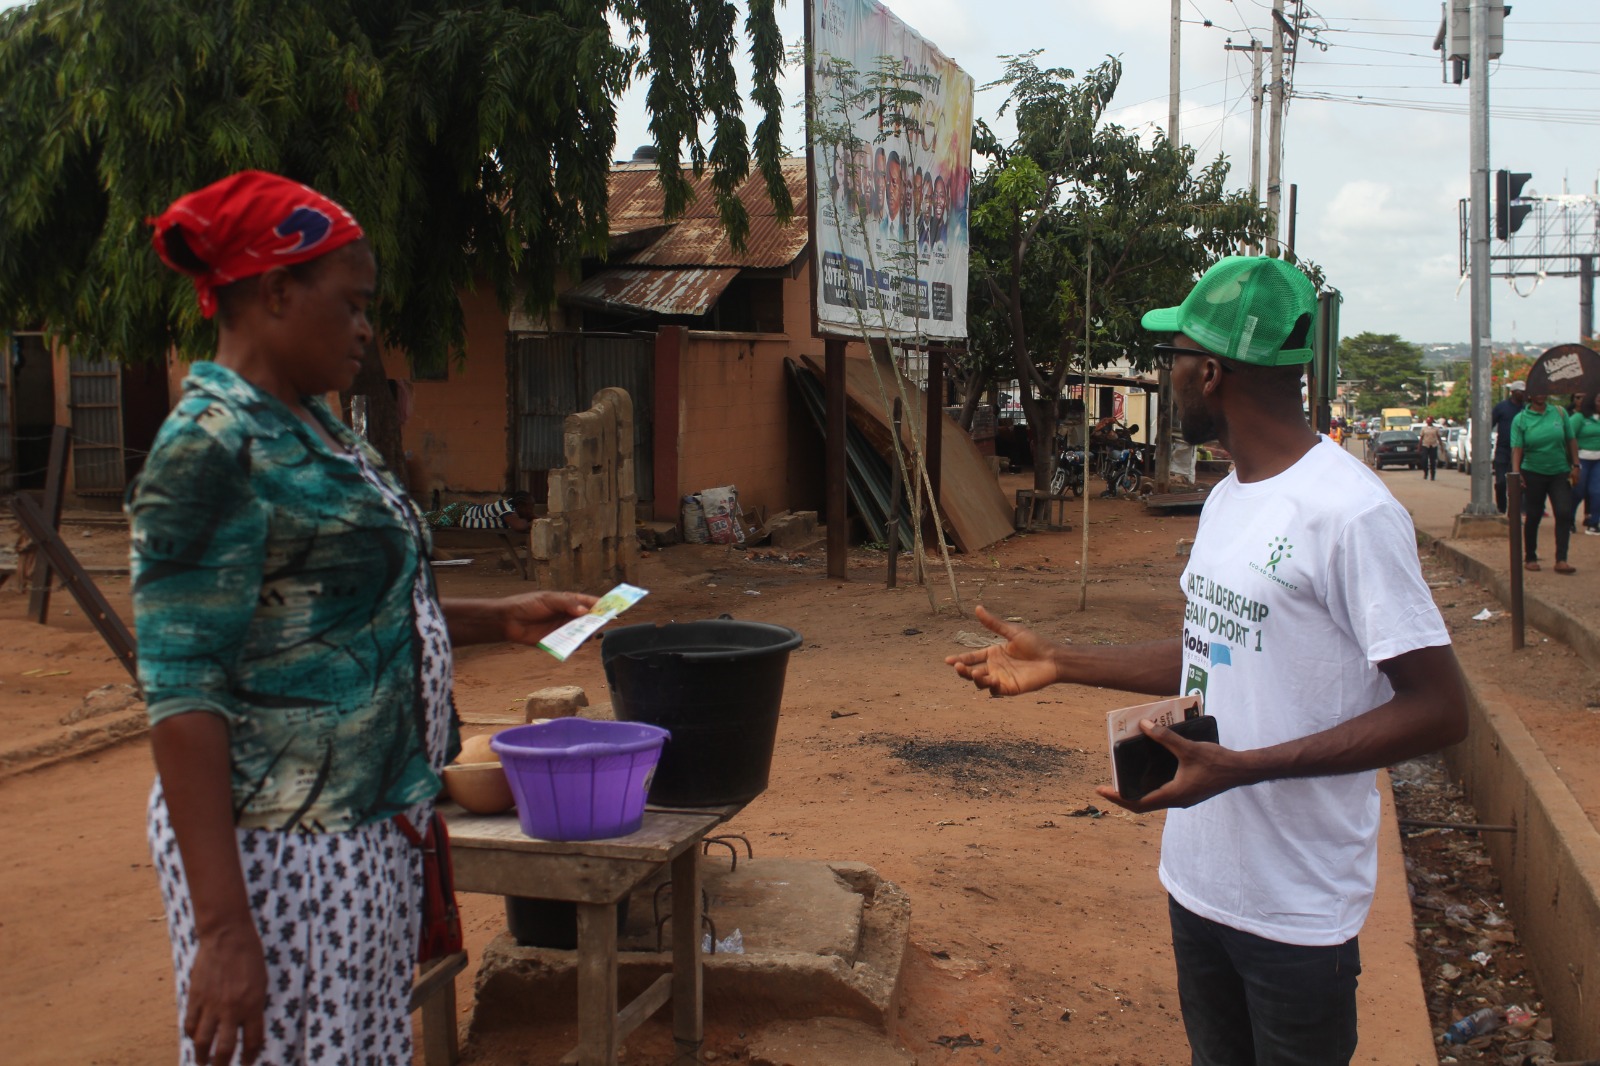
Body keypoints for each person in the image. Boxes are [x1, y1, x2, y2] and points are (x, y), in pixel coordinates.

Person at [946, 255, 1466, 1066]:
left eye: (1175, 357)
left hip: (1297, 911)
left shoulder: (1352, 513)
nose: (1171, 375)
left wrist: (1245, 768)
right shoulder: (1228, 498)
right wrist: (1064, 661)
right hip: (1200, 881)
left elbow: (1439, 709)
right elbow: (1213, 653)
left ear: (1212, 373)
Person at [133, 171, 597, 1066]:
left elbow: (347, 605)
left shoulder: (318, 428)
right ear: (276, 291)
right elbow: (183, 696)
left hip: (368, 828)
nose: (364, 329)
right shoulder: (210, 448)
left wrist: (497, 617)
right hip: (278, 851)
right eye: (350, 305)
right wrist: (224, 931)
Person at [1511, 387, 1579, 573]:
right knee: (1534, 515)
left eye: (1543, 391)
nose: (1540, 395)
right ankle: (1530, 557)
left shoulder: (1559, 412)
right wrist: (1516, 473)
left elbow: (1571, 439)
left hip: (1560, 471)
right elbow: (1517, 447)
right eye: (1536, 391)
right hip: (1533, 472)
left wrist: (1576, 465)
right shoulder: (1521, 419)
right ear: (1530, 395)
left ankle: (1561, 559)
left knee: (1564, 513)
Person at [1491, 380, 1527, 513]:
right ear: (1512, 392)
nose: (1522, 394)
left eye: (1524, 392)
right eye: (1520, 392)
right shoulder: (1501, 407)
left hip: (1521, 450)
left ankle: (1515, 511)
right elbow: (1490, 424)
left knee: (1518, 483)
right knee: (1501, 482)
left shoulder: (1526, 409)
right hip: (1503, 450)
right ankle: (1501, 508)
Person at [424, 492, 538, 532]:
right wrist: (532, 521)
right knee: (425, 521)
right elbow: (519, 526)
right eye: (530, 507)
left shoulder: (514, 512)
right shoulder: (503, 506)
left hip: (464, 513)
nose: (531, 511)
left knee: (429, 520)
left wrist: (532, 518)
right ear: (521, 505)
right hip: (460, 512)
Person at [1571, 393, 1600, 535]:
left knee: (1597, 491)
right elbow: (1568, 436)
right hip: (1582, 459)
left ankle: (1594, 523)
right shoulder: (1580, 418)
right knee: (1578, 491)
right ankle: (1568, 520)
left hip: (1598, 460)